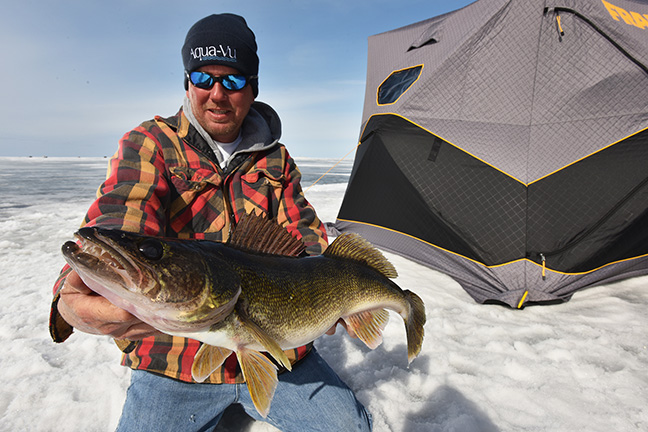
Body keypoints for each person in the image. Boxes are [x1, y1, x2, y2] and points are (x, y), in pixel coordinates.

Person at [49, 13, 372, 432]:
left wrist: (325, 298)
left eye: (233, 80)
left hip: (280, 352)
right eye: (203, 78)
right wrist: (69, 296)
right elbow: (121, 214)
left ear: (253, 88)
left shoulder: (276, 159)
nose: (217, 94)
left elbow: (304, 236)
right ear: (187, 83)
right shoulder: (151, 143)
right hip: (174, 360)